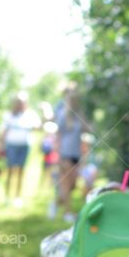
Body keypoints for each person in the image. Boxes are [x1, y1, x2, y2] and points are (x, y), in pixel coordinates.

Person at [53, 83, 90, 222]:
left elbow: (87, 129)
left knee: (74, 184)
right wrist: (57, 154)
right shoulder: (63, 115)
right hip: (65, 153)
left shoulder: (79, 115)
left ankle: (56, 203)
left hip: (77, 153)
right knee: (67, 184)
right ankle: (68, 212)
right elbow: (58, 135)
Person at [0, 92, 40, 206]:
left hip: (24, 145)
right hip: (11, 145)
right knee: (10, 170)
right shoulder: (9, 115)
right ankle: (7, 196)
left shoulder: (30, 115)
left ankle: (18, 197)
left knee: (21, 171)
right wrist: (0, 144)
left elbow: (37, 127)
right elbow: (3, 131)